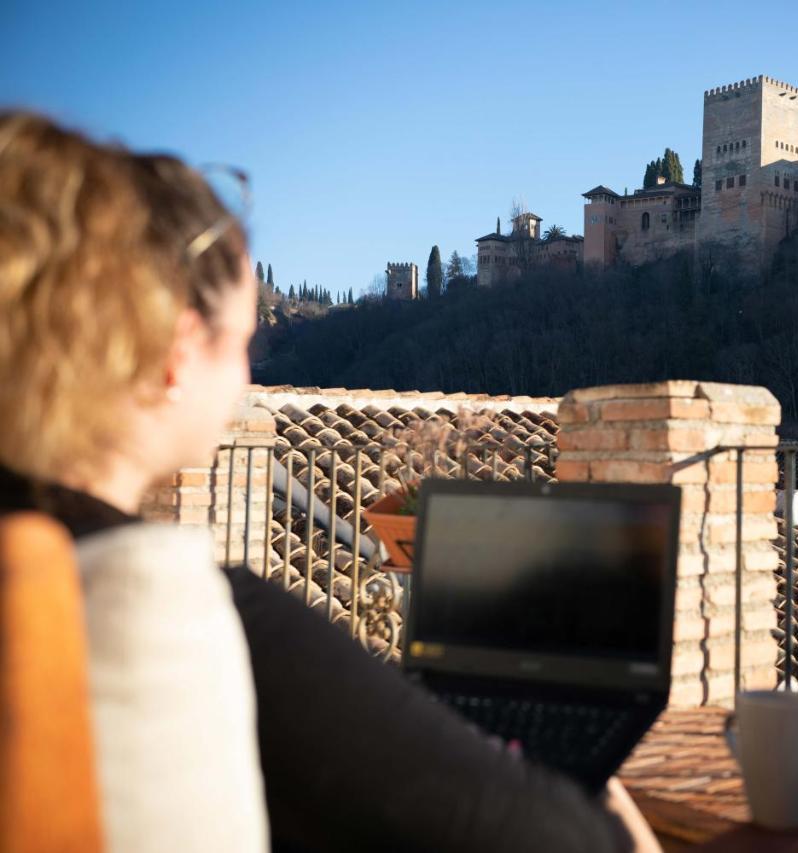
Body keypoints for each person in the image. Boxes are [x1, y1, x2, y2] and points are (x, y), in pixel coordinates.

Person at [0, 112, 658, 852]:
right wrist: (590, 770)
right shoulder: (196, 613)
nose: (247, 377)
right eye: (240, 342)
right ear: (176, 355)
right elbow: (564, 839)